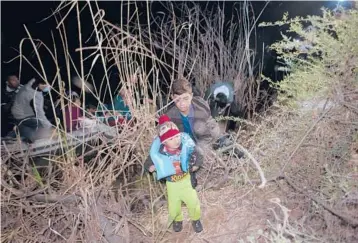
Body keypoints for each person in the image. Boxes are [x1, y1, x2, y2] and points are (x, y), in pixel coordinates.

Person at [146, 114, 203, 233]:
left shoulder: (185, 146)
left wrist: (196, 164)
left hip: (186, 180)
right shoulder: (159, 153)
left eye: (177, 136)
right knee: (173, 207)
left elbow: (198, 154)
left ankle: (196, 219)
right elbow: (148, 162)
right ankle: (178, 220)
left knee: (193, 202)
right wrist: (150, 167)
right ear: (164, 142)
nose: (176, 140)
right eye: (171, 139)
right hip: (172, 184)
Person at [10, 77, 54, 142]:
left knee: (37, 126)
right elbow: (39, 113)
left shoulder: (27, 86)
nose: (49, 87)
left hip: (17, 113)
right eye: (48, 85)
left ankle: (17, 133)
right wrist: (49, 126)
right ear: (40, 84)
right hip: (24, 115)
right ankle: (18, 131)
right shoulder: (35, 95)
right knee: (40, 128)